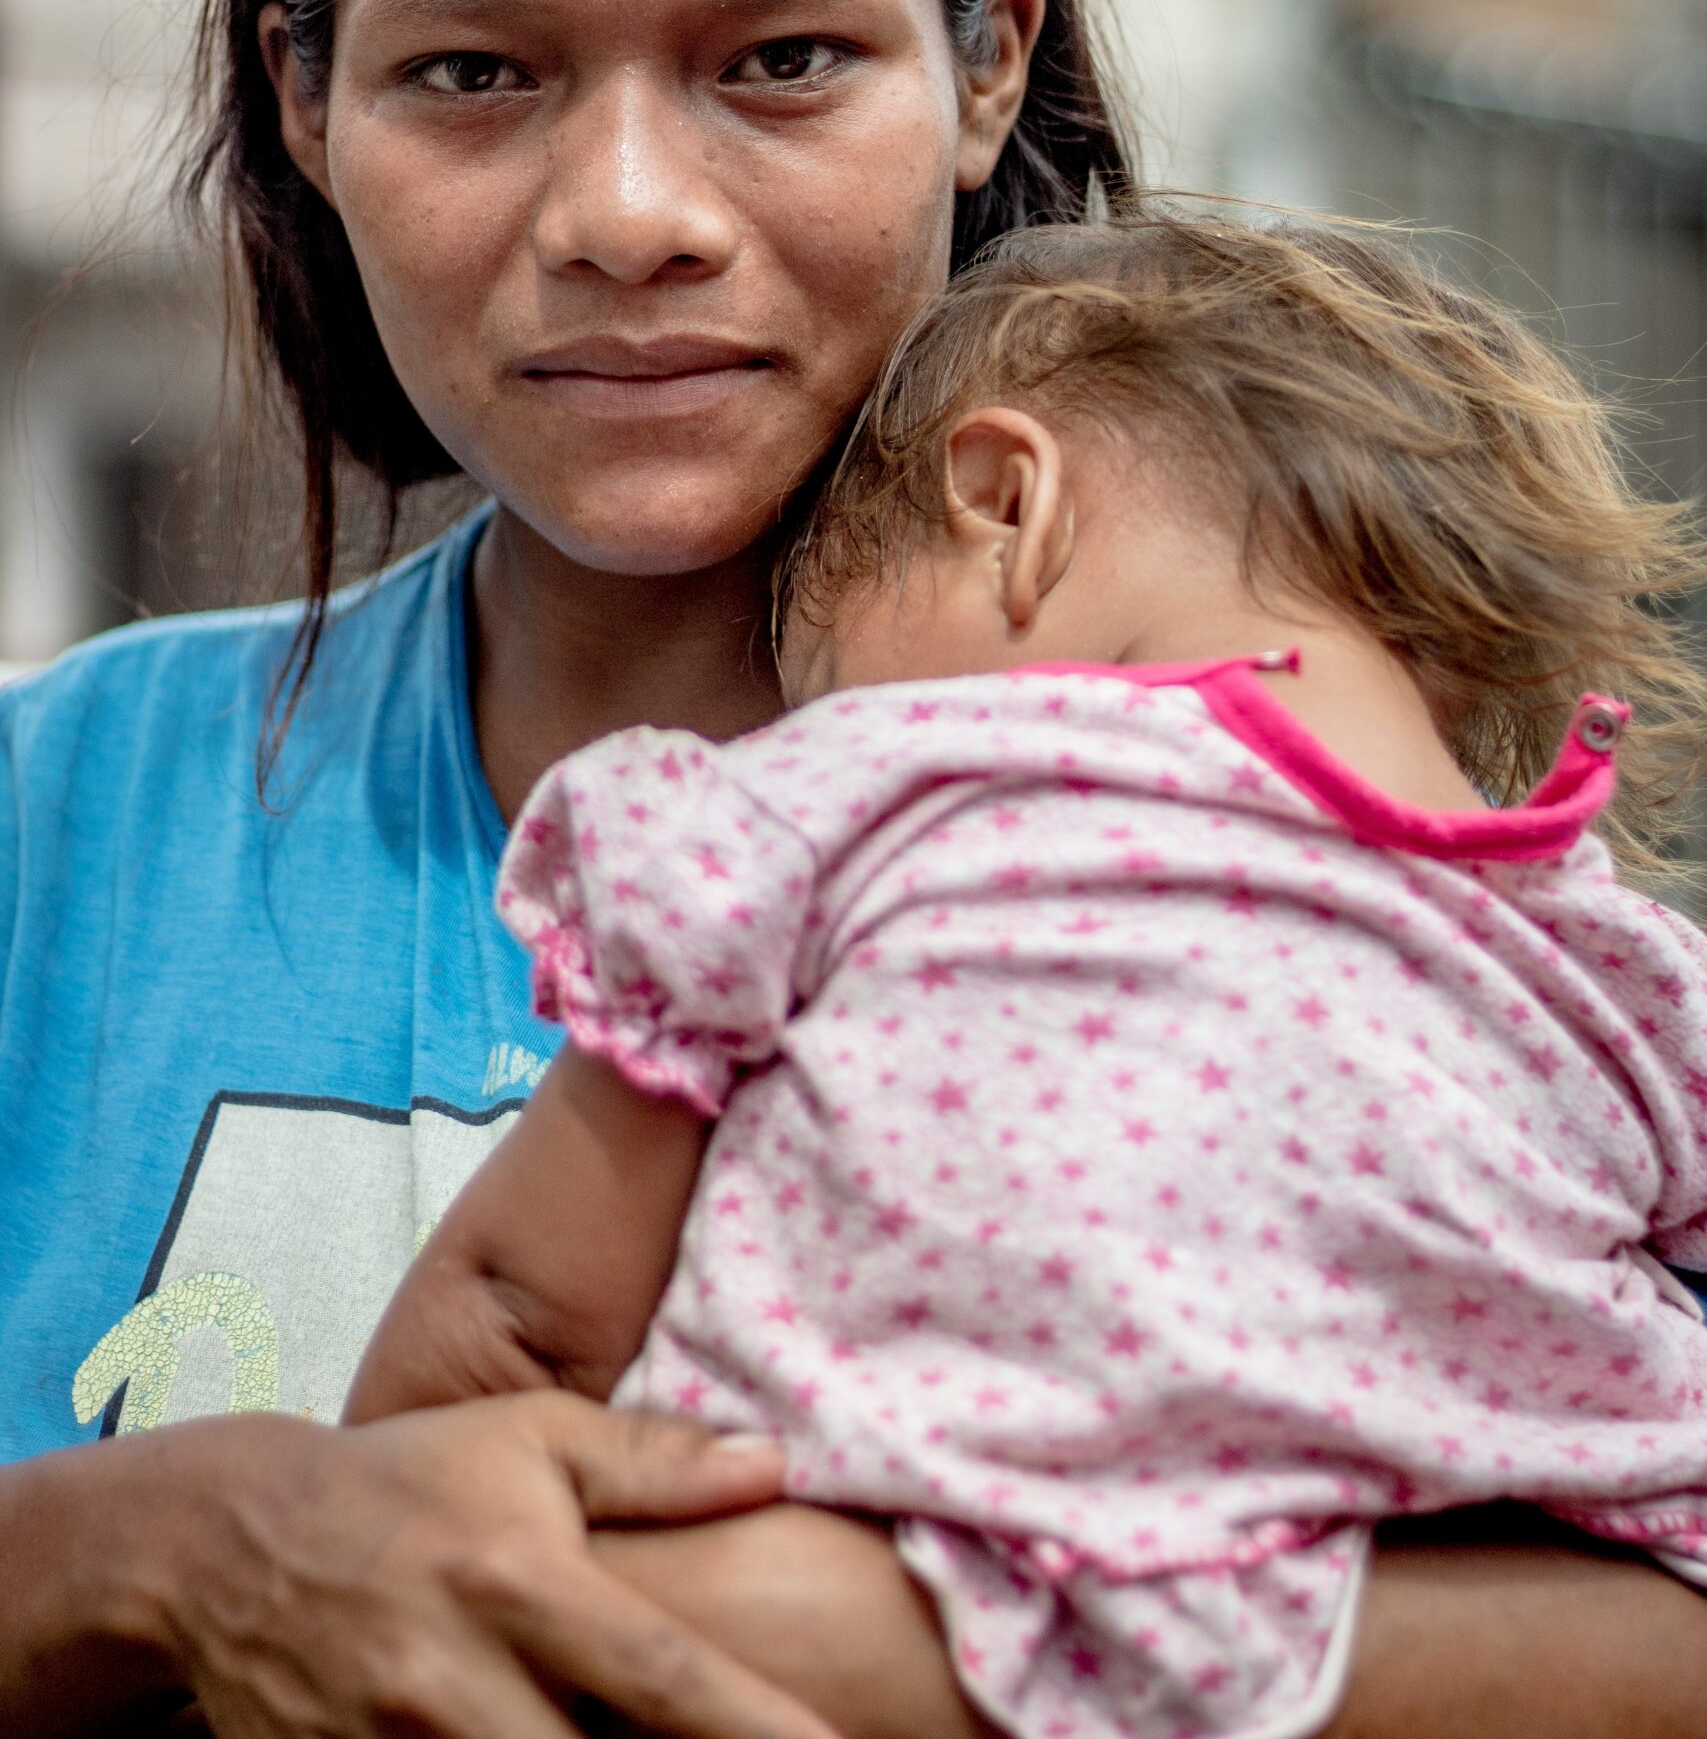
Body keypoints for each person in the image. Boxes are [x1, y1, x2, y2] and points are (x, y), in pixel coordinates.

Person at [2, 0, 1706, 1739]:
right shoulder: (58, 826)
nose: (627, 207)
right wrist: (157, 1542)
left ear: (986, 64)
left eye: (780, 59)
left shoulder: (1397, 884)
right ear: (305, 104)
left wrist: (854, 1646)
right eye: (471, 71)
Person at [347, 213, 1707, 1737]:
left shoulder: (861, 791)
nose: (801, 719)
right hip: (1457, 1624)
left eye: (823, 664)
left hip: (875, 1588)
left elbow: (526, 1304)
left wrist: (367, 1547)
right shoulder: (1611, 970)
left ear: (1005, 502)